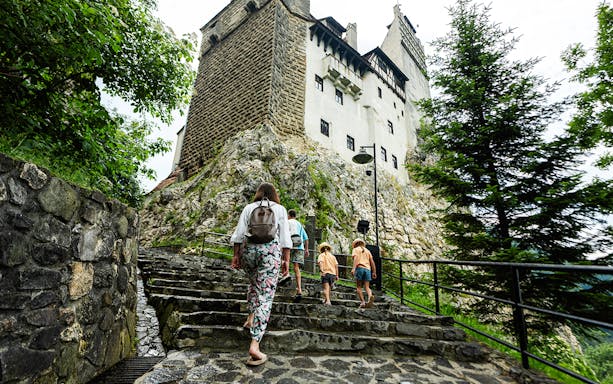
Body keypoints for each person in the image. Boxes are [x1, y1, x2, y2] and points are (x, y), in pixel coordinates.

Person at [230, 182, 291, 366]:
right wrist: (286, 260)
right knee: (266, 295)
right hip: (270, 253)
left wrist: (236, 256)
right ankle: (255, 345)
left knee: (255, 284)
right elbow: (285, 238)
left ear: (258, 193)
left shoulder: (249, 208)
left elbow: (239, 233)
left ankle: (250, 318)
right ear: (275, 194)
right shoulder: (279, 209)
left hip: (249, 252)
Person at [280, 209, 309, 302]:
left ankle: (286, 274)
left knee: (285, 260)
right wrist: (307, 249)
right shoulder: (299, 224)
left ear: (288, 215)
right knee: (296, 268)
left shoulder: (287, 222)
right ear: (295, 215)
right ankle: (299, 290)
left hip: (289, 245)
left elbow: (283, 235)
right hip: (299, 247)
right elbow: (306, 238)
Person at [350, 238, 377, 308]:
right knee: (367, 287)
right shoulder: (367, 251)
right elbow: (372, 262)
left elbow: (356, 258)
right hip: (368, 269)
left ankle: (363, 302)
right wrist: (374, 272)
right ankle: (370, 296)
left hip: (360, 268)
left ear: (355, 244)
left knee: (359, 287)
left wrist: (353, 268)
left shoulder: (355, 249)